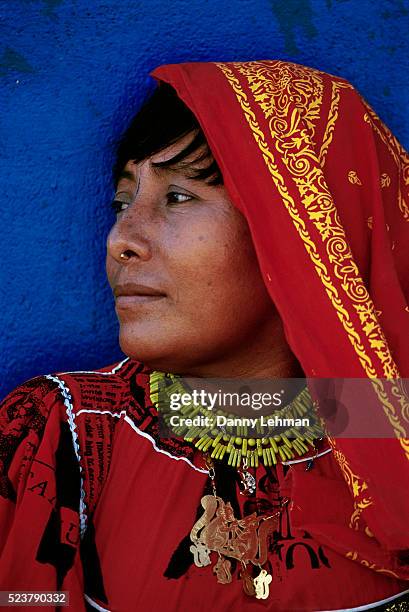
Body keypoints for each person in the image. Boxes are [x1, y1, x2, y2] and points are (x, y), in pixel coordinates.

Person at [0, 59, 408, 612]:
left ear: (300, 227)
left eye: (178, 197)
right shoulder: (61, 438)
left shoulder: (395, 447)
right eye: (122, 202)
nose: (122, 239)